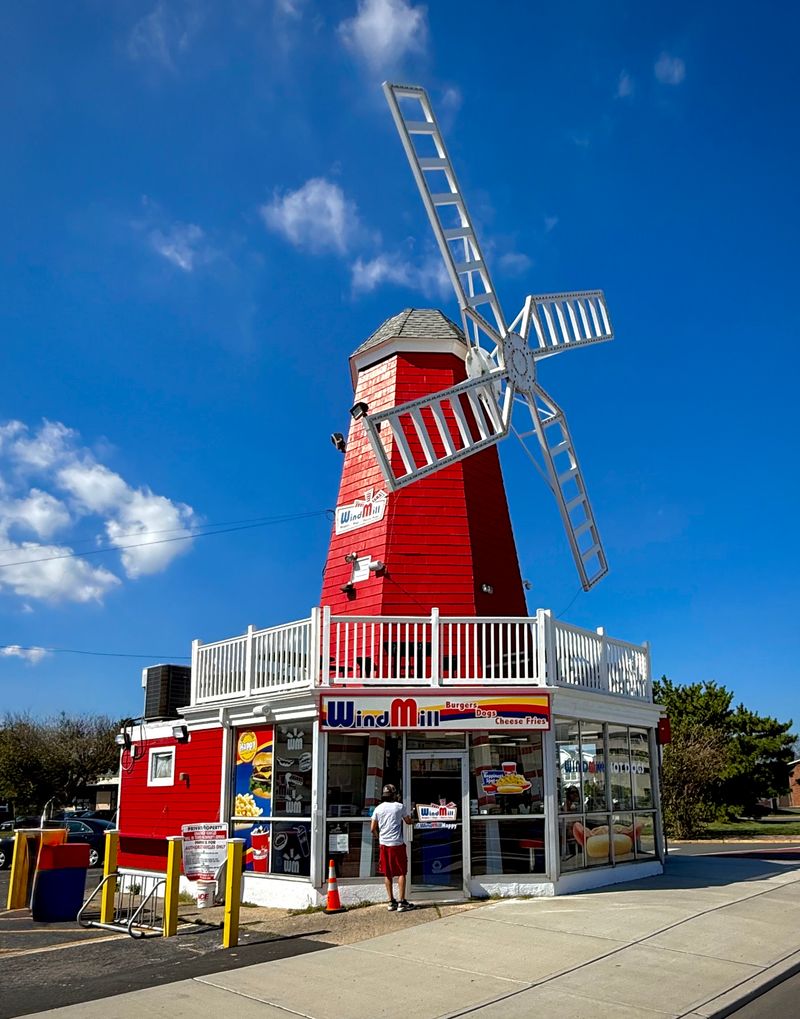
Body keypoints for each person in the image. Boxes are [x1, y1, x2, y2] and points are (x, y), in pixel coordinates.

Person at [370, 784, 415, 912]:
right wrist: (414, 820)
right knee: (401, 872)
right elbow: (408, 821)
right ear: (394, 795)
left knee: (387, 873)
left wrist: (379, 838)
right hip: (397, 844)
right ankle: (402, 902)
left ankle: (391, 901)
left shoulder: (378, 809)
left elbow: (372, 828)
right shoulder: (399, 807)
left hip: (384, 845)